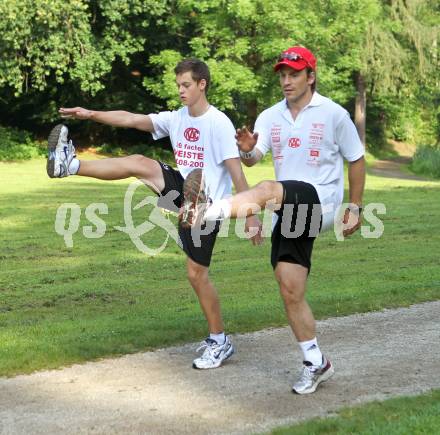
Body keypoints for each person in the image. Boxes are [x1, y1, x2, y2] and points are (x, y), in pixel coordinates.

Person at [46, 58, 262, 370]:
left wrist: (250, 213)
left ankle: (220, 340)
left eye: (186, 85)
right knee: (140, 163)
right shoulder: (176, 118)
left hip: (207, 207)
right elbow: (132, 120)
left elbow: (236, 172)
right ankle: (71, 165)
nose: (180, 91)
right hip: (186, 194)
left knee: (196, 274)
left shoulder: (218, 123)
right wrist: (90, 114)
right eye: (178, 86)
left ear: (202, 84)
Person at [183, 46, 366, 393]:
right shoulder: (270, 116)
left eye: (294, 74)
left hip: (322, 200)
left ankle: (206, 210)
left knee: (267, 189)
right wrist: (248, 148)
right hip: (290, 208)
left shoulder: (334, 114)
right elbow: (253, 158)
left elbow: (356, 159)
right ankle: (316, 362)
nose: (286, 81)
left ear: (310, 77)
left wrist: (354, 207)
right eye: (282, 75)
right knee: (289, 286)